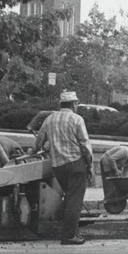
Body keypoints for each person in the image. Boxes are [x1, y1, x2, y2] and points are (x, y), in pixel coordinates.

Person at [34, 90, 93, 244]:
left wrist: (36, 151)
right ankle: (69, 236)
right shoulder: (77, 119)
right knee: (74, 200)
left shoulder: (50, 119)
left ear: (61, 104)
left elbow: (39, 140)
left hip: (58, 166)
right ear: (74, 104)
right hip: (76, 164)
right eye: (77, 104)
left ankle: (69, 230)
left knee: (68, 197)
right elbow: (85, 145)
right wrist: (90, 165)